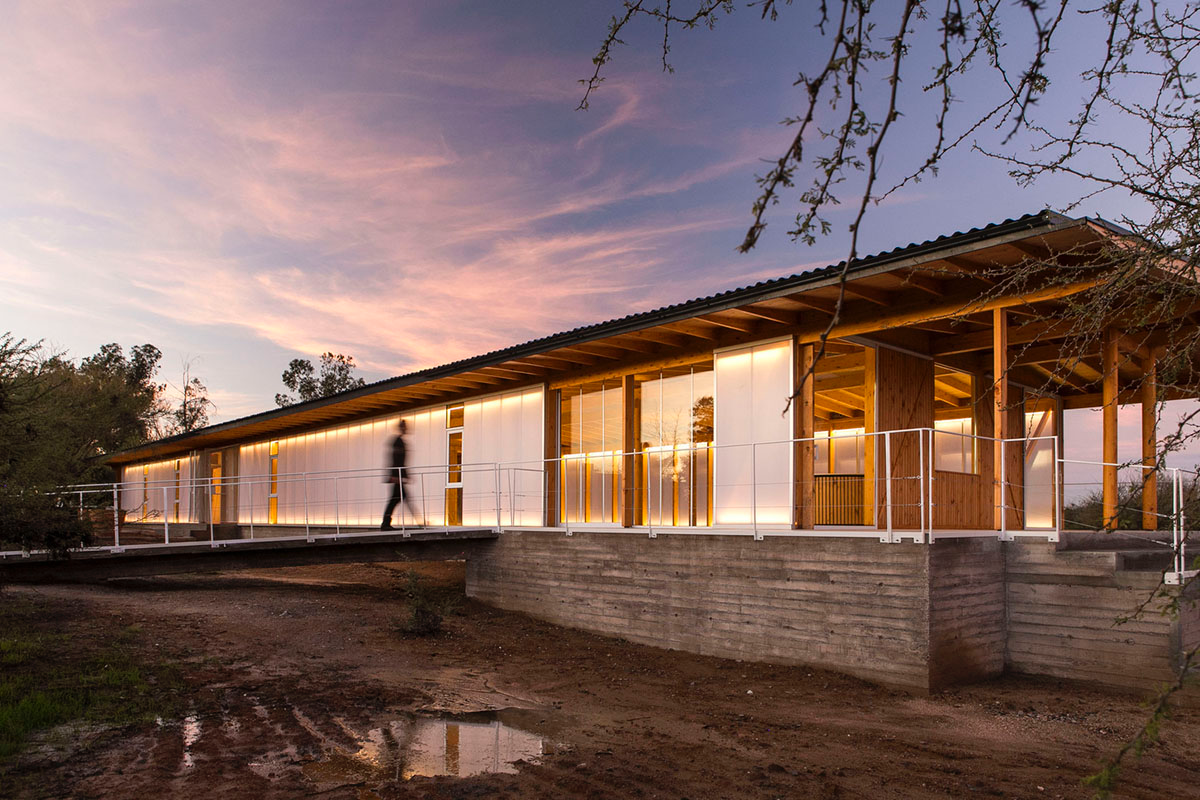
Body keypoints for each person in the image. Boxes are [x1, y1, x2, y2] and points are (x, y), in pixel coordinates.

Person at [381, 419, 421, 529]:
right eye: (405, 427)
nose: (406, 429)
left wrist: (405, 475)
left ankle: (386, 523)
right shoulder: (398, 442)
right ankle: (419, 523)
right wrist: (396, 476)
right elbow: (397, 460)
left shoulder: (399, 441)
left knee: (398, 498)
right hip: (397, 477)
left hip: (398, 476)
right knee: (399, 498)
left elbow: (399, 461)